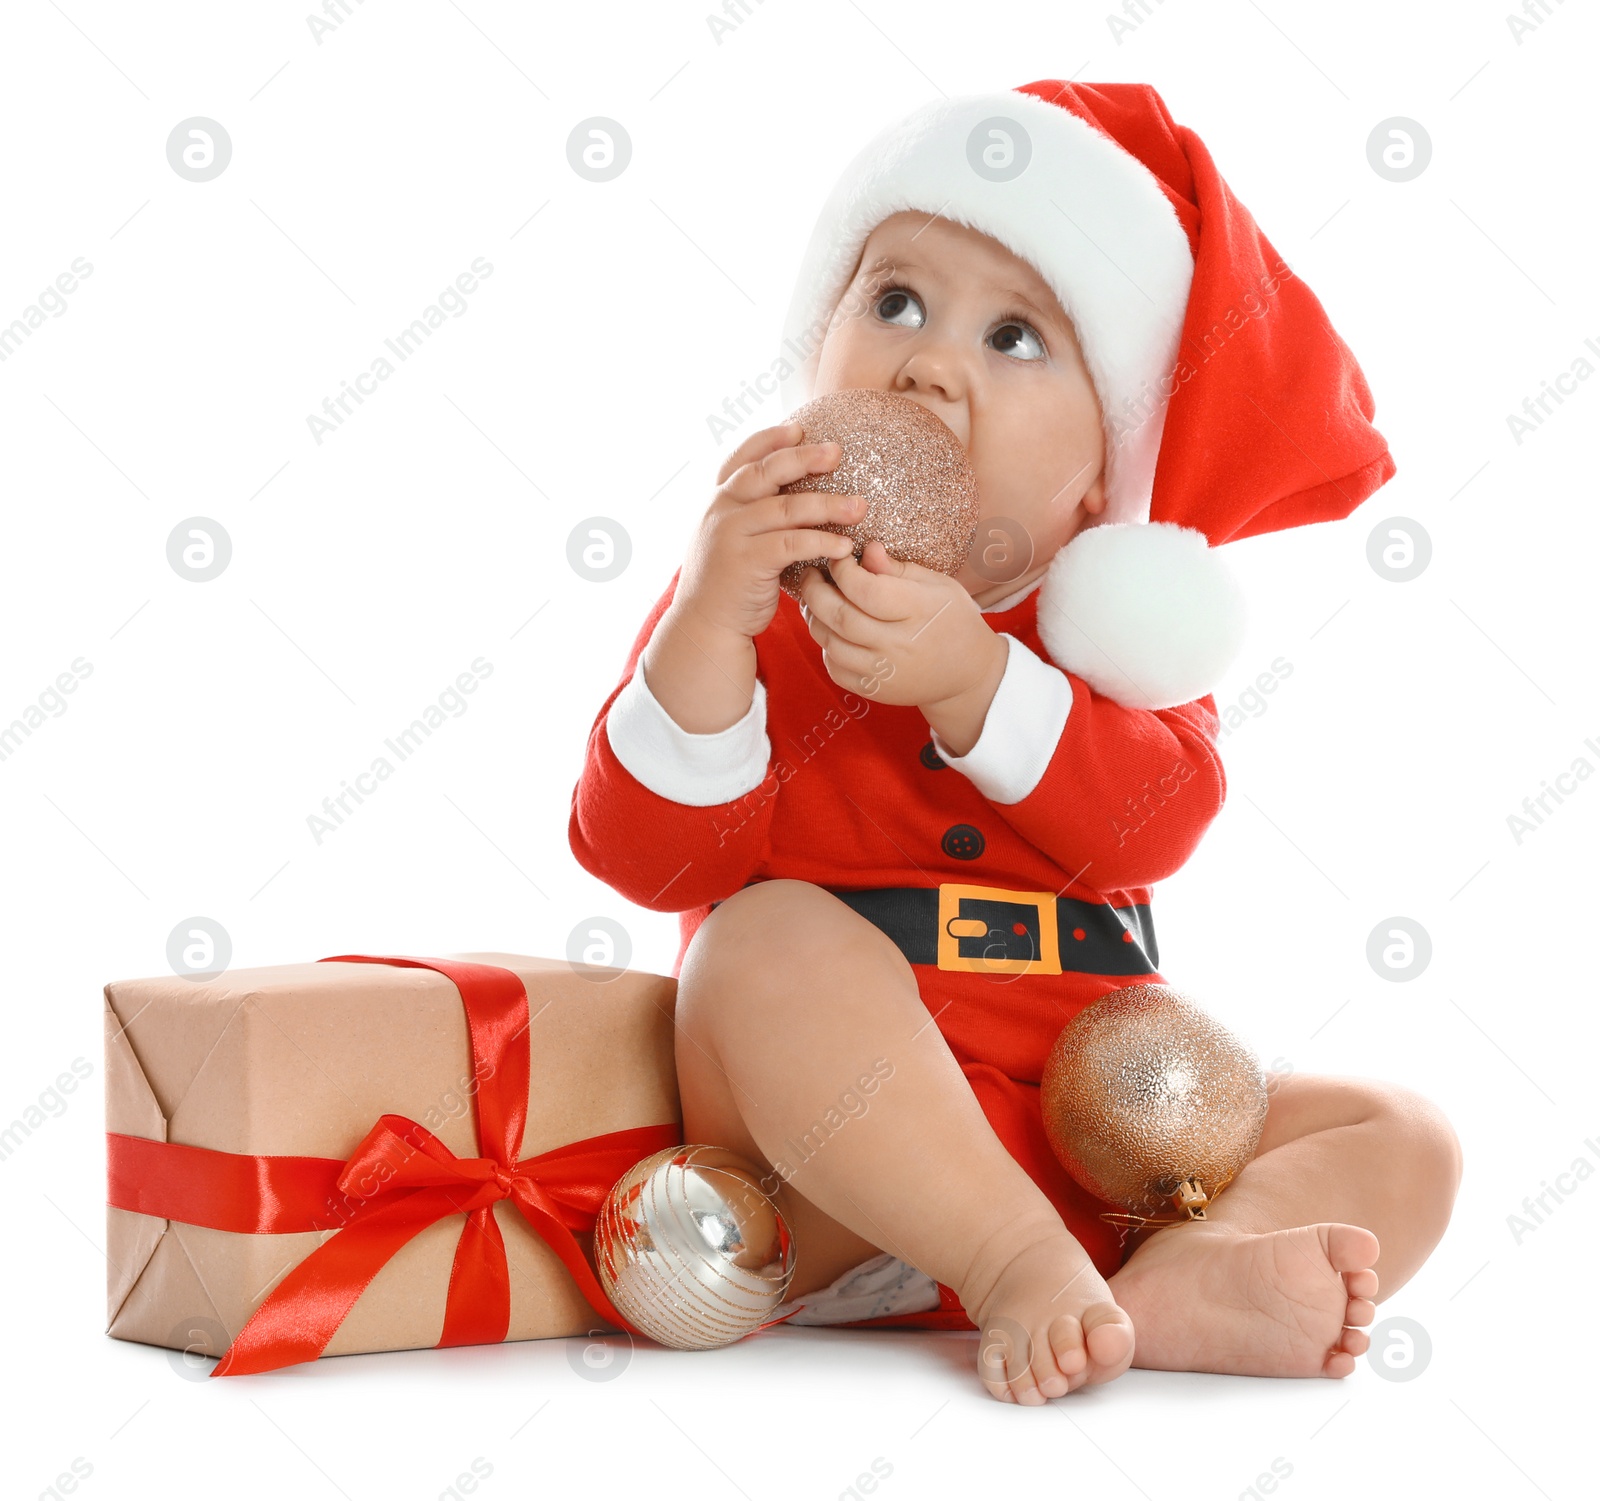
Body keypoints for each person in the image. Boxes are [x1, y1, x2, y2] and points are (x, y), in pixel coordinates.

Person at [568, 80, 1462, 1405]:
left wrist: (978, 678)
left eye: (1014, 336)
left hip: (1105, 1135)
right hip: (836, 1161)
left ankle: (1180, 1271)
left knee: (1408, 1134)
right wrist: (707, 618)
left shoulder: (1115, 627)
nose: (930, 362)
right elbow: (641, 853)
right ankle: (1006, 1257)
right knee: (758, 941)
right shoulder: (758, 585)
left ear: (1103, 467)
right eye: (894, 303)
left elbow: (1152, 822)